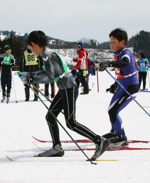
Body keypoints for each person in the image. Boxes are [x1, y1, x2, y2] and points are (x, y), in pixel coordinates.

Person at [26, 30, 109, 160]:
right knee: (50, 116)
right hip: (64, 88)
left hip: (69, 88)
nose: (29, 49)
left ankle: (100, 140)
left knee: (71, 122)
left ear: (33, 44)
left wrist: (33, 79)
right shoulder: (45, 54)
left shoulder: (47, 55)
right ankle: (57, 147)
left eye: (29, 47)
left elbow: (50, 77)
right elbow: (47, 73)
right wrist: (31, 76)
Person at [98, 28, 139, 147]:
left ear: (122, 42)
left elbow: (125, 63)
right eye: (110, 42)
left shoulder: (125, 53)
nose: (111, 44)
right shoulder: (118, 54)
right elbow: (122, 73)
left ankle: (121, 137)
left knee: (113, 110)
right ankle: (115, 132)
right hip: (123, 85)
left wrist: (109, 64)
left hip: (131, 88)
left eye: (114, 41)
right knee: (111, 109)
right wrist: (115, 85)